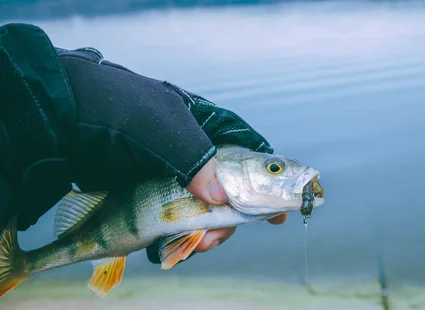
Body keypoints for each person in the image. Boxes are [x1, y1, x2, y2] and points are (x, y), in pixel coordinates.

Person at [0, 22, 287, 265]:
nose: (279, 172)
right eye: (274, 168)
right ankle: (21, 266)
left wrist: (42, 105)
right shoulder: (209, 179)